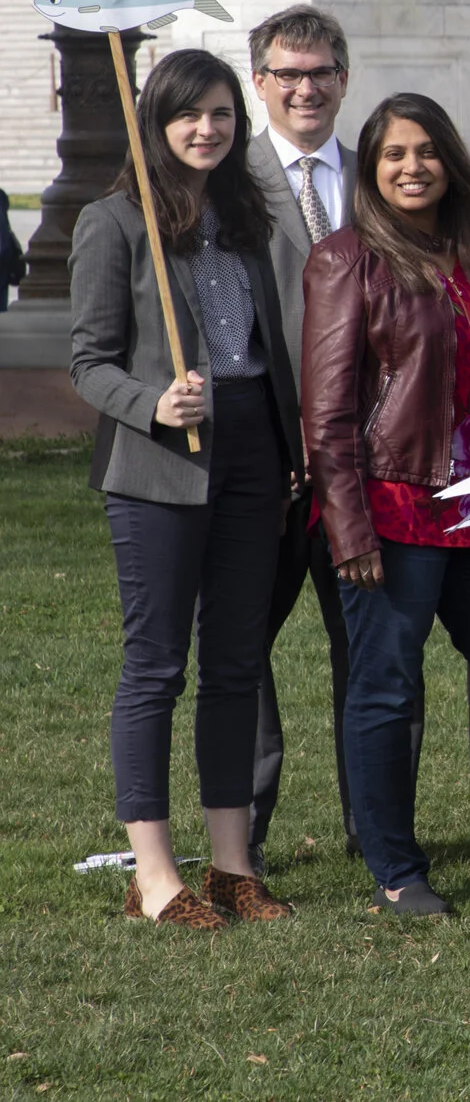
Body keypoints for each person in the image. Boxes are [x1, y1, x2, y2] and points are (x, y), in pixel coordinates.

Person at [70, 48, 299, 928]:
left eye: (222, 114)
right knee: (158, 663)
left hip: (250, 451)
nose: (208, 129)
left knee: (238, 662)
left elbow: (267, 344)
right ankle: (155, 873)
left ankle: (233, 865)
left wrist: (284, 447)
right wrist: (154, 401)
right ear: (156, 124)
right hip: (159, 457)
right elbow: (88, 360)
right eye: (189, 115)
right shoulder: (114, 221)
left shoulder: (247, 216)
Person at [302, 93, 470, 916]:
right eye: (395, 153)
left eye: (428, 150)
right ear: (370, 168)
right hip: (393, 511)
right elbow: (326, 412)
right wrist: (347, 523)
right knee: (387, 689)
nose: (412, 166)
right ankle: (397, 869)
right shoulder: (347, 260)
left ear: (451, 162)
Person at [241, 4, 359, 876]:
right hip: (268, 463)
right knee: (243, 643)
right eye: (287, 73)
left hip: (364, 467)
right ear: (261, 83)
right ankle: (240, 822)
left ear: (343, 79)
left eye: (319, 71)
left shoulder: (384, 170)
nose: (305, 87)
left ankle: (376, 821)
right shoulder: (228, 177)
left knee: (373, 651)